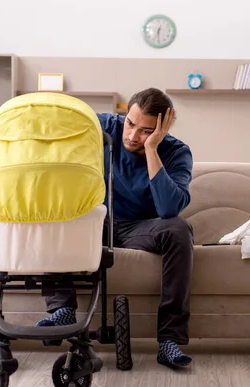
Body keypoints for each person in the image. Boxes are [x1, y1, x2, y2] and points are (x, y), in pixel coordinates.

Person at [37, 88, 195, 368]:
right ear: (125, 114)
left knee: (179, 230)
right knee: (55, 213)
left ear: (163, 127)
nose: (133, 136)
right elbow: (52, 119)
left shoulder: (177, 152)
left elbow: (169, 209)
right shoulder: (105, 126)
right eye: (131, 123)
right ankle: (62, 309)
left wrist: (151, 149)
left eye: (146, 131)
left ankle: (169, 340)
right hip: (98, 221)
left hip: (141, 228)